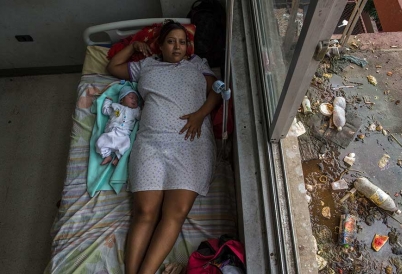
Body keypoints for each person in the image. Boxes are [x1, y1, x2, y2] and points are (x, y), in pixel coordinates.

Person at [107, 19, 222, 273]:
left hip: (190, 141)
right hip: (152, 142)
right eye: (171, 41)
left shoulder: (197, 65)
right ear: (160, 45)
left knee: (174, 213)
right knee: (145, 212)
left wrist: (200, 114)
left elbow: (216, 91)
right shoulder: (146, 65)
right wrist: (134, 45)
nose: (177, 47)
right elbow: (113, 66)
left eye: (182, 42)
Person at [95, 86, 142, 166]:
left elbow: (140, 116)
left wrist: (142, 108)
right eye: (131, 97)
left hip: (124, 134)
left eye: (136, 100)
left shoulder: (135, 111)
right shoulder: (115, 106)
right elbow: (105, 110)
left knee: (126, 145)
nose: (134, 100)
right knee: (100, 142)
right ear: (122, 99)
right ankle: (107, 155)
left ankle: (118, 158)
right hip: (111, 132)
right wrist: (108, 101)